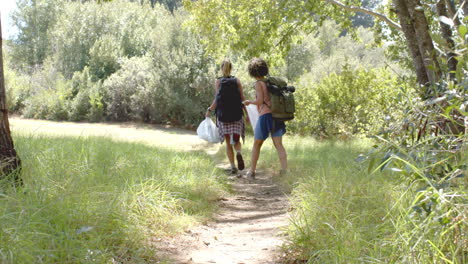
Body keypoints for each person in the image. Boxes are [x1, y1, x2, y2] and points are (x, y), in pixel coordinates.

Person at [243, 58, 287, 179]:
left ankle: (251, 172)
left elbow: (260, 101)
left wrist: (249, 102)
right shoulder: (270, 82)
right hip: (277, 115)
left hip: (265, 116)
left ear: (253, 72)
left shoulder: (258, 83)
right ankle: (284, 171)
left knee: (257, 144)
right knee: (279, 144)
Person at [206, 59, 246, 174]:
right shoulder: (237, 81)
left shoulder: (218, 82)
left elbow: (217, 99)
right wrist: (247, 114)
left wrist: (209, 109)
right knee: (236, 140)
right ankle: (238, 152)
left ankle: (233, 166)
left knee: (228, 142)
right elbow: (242, 98)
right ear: (231, 68)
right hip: (237, 115)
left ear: (221, 68)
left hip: (223, 116)